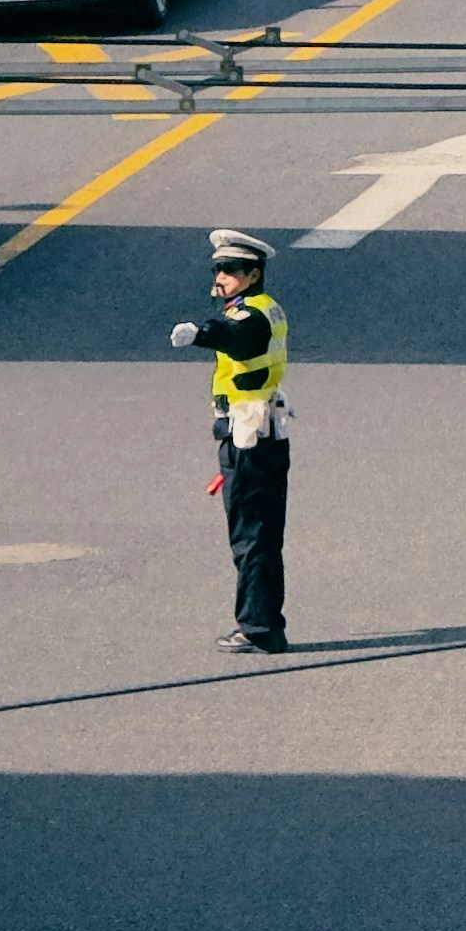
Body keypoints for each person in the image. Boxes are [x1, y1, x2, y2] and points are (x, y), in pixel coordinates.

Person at [168, 229, 290, 651]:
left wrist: (201, 334)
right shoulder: (264, 307)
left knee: (251, 534)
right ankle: (266, 623)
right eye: (217, 268)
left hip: (249, 437)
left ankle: (258, 629)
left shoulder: (251, 315)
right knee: (262, 533)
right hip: (261, 432)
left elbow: (237, 336)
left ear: (253, 274)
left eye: (230, 270)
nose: (220, 277)